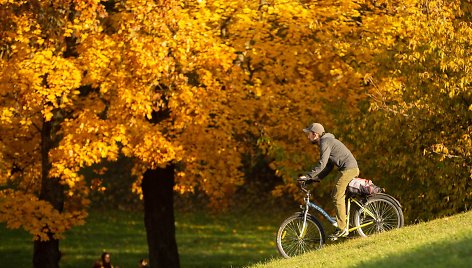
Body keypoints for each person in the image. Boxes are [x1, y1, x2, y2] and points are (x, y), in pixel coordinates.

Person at [298, 123, 359, 240]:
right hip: (348, 169)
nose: (307, 137)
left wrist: (307, 176)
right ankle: (345, 223)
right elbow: (328, 167)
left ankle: (342, 228)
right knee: (336, 195)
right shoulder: (326, 141)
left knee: (337, 196)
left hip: (349, 169)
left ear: (315, 134)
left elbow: (322, 164)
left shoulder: (325, 142)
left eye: (309, 134)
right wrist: (314, 179)